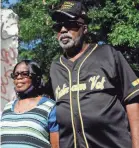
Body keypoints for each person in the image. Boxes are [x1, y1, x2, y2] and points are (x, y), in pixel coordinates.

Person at [46, 0, 139, 148]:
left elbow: (133, 99)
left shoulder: (108, 54)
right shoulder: (56, 67)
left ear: (84, 28)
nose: (63, 30)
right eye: (58, 26)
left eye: (69, 24)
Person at [1, 60, 59, 148]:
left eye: (24, 74)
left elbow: (56, 145)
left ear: (36, 78)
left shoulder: (50, 107)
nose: (19, 77)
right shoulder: (7, 108)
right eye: (15, 75)